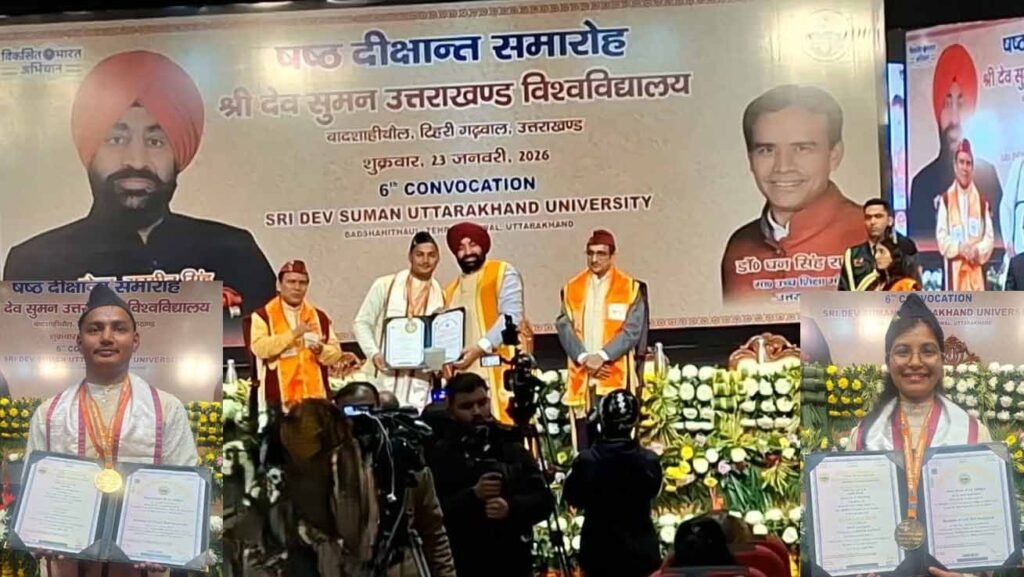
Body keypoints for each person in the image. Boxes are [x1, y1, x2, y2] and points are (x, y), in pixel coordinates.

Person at [2, 50, 276, 317]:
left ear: (178, 154)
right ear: (90, 151)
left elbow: (273, 342)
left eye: (155, 141)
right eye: (116, 140)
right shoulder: (36, 261)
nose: (135, 161)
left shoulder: (233, 250)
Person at [25, 284, 199, 577]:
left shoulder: (166, 409)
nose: (107, 337)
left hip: (141, 565)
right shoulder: (50, 413)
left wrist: (169, 546)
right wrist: (39, 536)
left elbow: (185, 482)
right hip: (67, 563)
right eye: (95, 329)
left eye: (119, 328)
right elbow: (33, 491)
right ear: (79, 341)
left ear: (135, 340)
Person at [721, 85, 866, 300]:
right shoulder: (739, 248)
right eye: (767, 150)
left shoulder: (869, 234)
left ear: (834, 155)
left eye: (802, 149)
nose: (783, 167)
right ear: (750, 160)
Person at [426, 373, 553, 577]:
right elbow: (430, 516)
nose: (477, 412)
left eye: (482, 403)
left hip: (512, 560)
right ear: (451, 408)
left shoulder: (509, 445)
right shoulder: (440, 454)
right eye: (466, 406)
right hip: (464, 561)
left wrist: (511, 507)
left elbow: (544, 500)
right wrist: (472, 496)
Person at [332, 382, 457, 577]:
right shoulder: (328, 469)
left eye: (366, 410)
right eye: (350, 412)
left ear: (380, 412)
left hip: (401, 566)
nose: (359, 420)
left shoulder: (404, 461)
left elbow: (433, 532)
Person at [909, 44, 1004, 244]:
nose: (954, 119)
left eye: (961, 104)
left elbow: (1000, 244)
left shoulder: (988, 177)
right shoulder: (922, 184)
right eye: (946, 103)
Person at [563, 390, 662, 577]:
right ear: (635, 422)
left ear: (601, 420)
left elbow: (572, 497)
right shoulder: (649, 461)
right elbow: (654, 492)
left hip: (598, 554)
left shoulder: (587, 461)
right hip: (640, 555)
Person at [442, 222, 524, 424]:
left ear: (483, 246)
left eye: (472, 245)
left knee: (504, 430)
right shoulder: (450, 290)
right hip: (464, 377)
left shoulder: (502, 271)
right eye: (460, 248)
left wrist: (479, 348)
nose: (468, 252)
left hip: (497, 368)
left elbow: (512, 316)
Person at [353, 232, 445, 410]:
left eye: (431, 255)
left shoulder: (441, 295)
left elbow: (439, 341)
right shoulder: (385, 285)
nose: (425, 260)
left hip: (419, 384)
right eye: (420, 254)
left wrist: (437, 364)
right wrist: (374, 354)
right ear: (410, 256)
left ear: (438, 258)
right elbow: (361, 323)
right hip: (383, 377)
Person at [250, 260, 358, 410]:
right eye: (291, 282)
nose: (297, 287)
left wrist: (321, 350)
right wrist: (294, 334)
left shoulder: (319, 316)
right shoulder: (263, 316)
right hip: (280, 401)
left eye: (302, 283)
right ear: (279, 285)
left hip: (315, 400)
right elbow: (260, 348)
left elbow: (335, 353)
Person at [936, 139, 995, 291]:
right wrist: (960, 248)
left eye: (968, 163)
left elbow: (989, 238)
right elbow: (942, 238)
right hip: (954, 273)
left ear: (973, 168)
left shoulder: (981, 201)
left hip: (977, 271)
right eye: (961, 162)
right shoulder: (946, 200)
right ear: (955, 166)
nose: (965, 168)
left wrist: (976, 251)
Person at [839, 199, 920, 291]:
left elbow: (914, 283)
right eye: (868, 217)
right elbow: (844, 291)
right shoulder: (853, 253)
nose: (872, 222)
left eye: (878, 216)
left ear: (890, 221)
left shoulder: (905, 247)